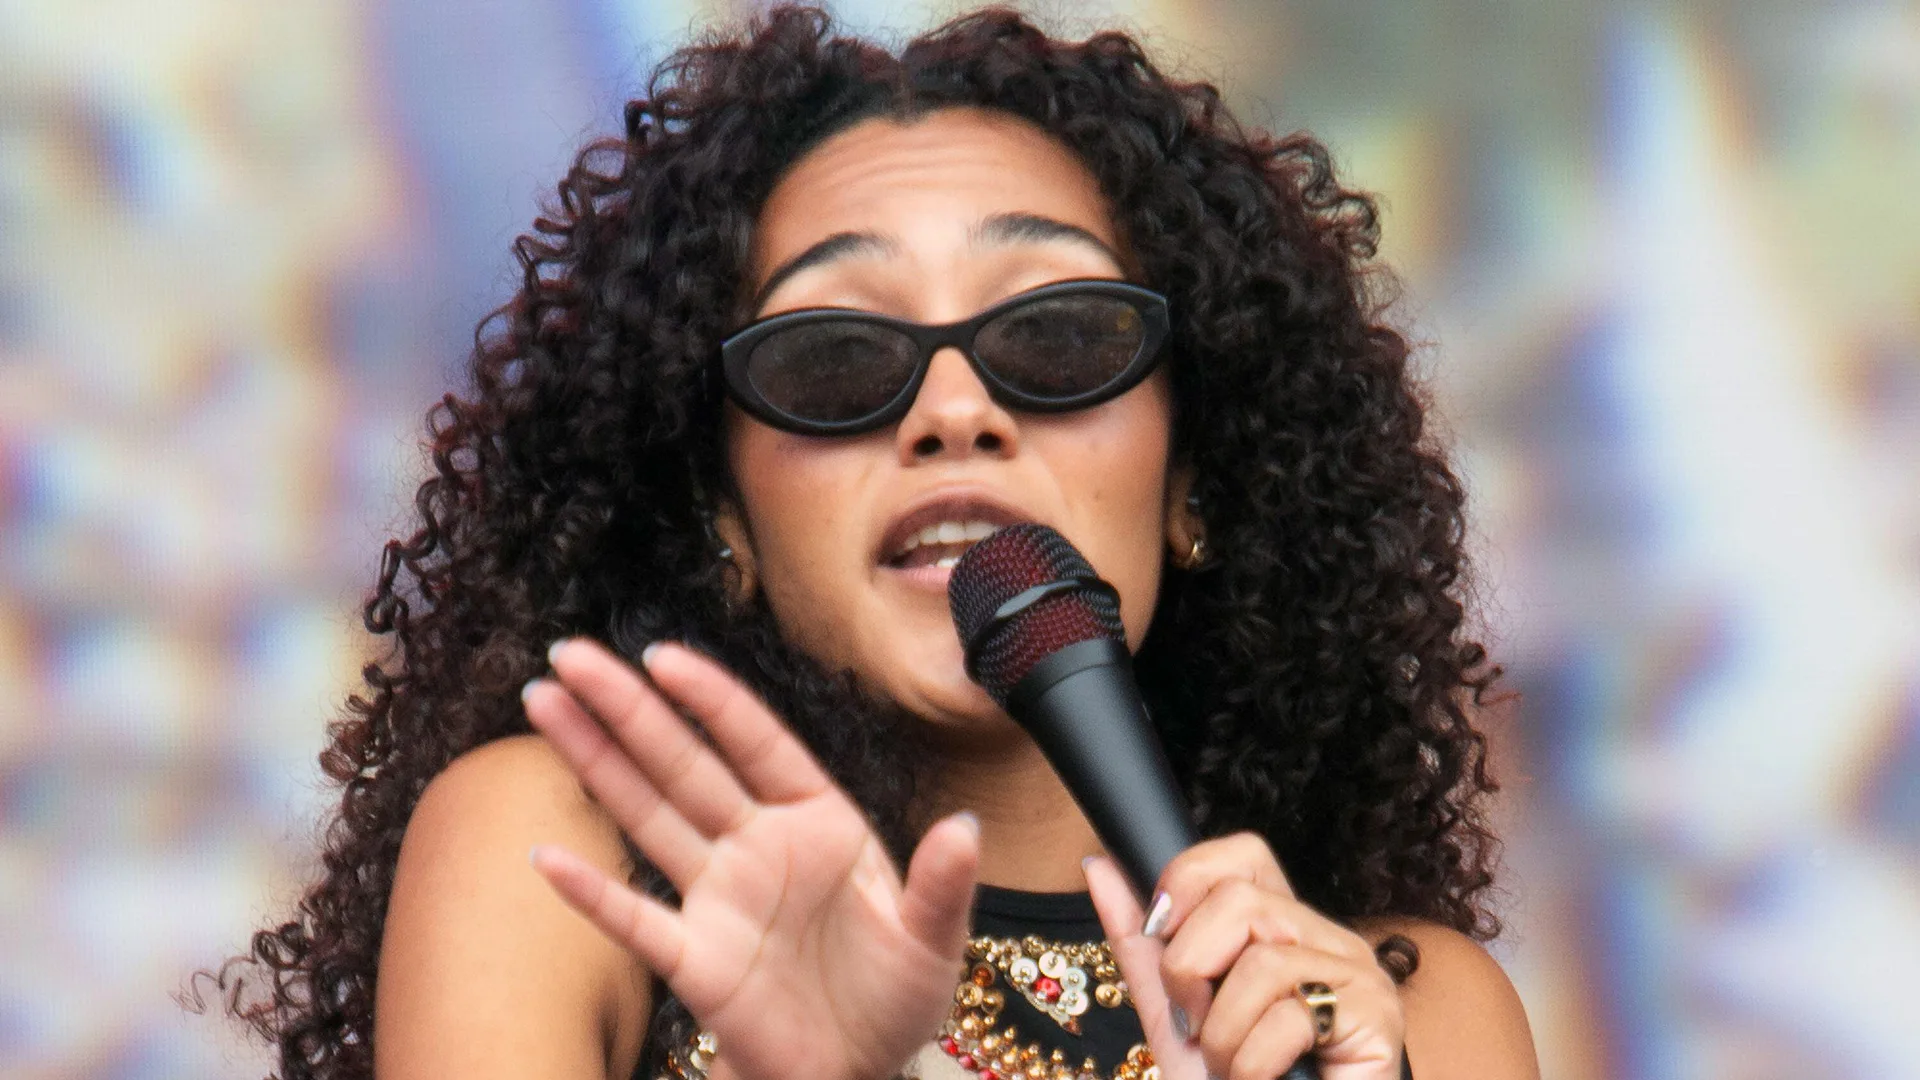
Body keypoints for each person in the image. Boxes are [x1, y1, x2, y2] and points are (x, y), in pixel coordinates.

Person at [217, 7, 1538, 1080]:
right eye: (838, 360)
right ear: (718, 516)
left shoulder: (1406, 1015)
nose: (955, 411)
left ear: (1193, 484)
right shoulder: (571, 855)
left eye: (1056, 340)